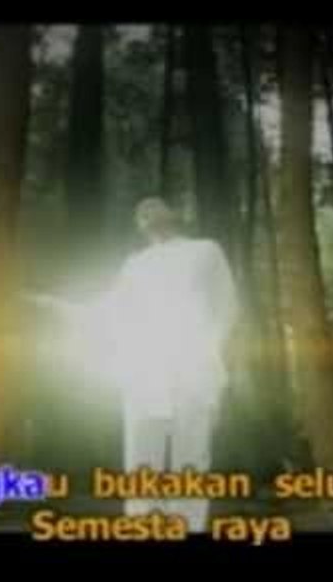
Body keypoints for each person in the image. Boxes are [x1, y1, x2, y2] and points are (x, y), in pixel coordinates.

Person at [89, 197, 239, 532]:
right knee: (141, 461)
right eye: (140, 211)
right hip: (143, 374)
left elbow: (227, 306)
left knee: (191, 460)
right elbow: (113, 312)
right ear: (138, 226)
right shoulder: (134, 264)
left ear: (173, 214)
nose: (147, 211)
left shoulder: (206, 250)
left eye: (154, 205)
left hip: (193, 372)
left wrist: (208, 354)